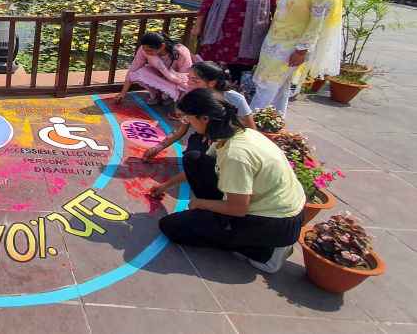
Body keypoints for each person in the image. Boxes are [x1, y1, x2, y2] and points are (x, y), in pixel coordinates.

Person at [154, 89, 306, 273]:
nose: (189, 124)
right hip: (269, 207)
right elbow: (200, 169)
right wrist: (165, 186)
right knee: (194, 159)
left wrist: (201, 203)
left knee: (171, 227)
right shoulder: (233, 134)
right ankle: (221, 222)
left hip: (274, 223)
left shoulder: (236, 154)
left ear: (204, 118)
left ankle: (265, 252)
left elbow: (238, 208)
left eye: (189, 119)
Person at [250, 0, 343, 116]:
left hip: (294, 45)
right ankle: (275, 121)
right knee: (278, 85)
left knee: (268, 83)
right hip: (274, 40)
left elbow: (317, 23)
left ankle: (250, 123)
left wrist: (302, 50)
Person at [193, 0, 282, 84]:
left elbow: (277, 8)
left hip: (248, 36)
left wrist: (276, 33)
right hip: (220, 33)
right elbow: (207, 4)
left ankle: (234, 98)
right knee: (212, 69)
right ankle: (209, 96)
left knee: (239, 72)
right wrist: (198, 26)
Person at [142, 61, 257, 160]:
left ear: (212, 83)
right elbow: (181, 128)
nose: (188, 83)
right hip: (205, 138)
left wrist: (223, 140)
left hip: (232, 141)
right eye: (189, 79)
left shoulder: (236, 99)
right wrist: (159, 147)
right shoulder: (193, 97)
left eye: (195, 80)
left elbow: (252, 131)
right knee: (193, 157)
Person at [115, 32, 193, 106]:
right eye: (144, 49)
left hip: (177, 79)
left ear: (162, 46)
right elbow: (133, 69)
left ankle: (174, 97)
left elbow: (186, 77)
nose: (146, 52)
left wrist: (181, 105)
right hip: (162, 77)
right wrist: (123, 93)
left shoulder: (181, 52)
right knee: (137, 73)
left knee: (177, 90)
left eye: (150, 51)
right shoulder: (144, 49)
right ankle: (156, 95)